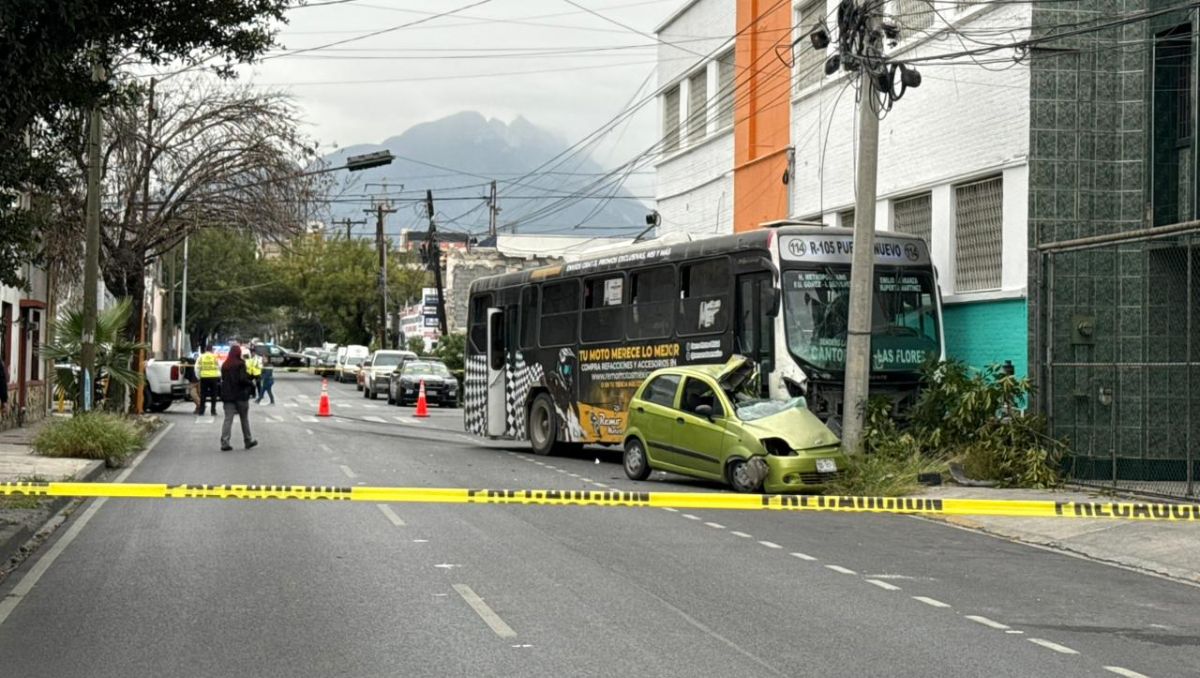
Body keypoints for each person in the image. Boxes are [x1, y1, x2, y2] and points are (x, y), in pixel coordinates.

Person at [218, 345, 257, 451]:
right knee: (244, 419)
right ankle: (248, 440)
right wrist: (251, 383)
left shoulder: (225, 365)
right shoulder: (240, 364)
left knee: (228, 419)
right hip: (241, 396)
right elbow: (242, 379)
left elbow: (223, 379)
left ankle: (225, 442)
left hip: (228, 396)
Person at [197, 345, 221, 416]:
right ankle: (213, 411)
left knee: (203, 395)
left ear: (205, 349)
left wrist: (199, 376)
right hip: (214, 378)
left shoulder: (201, 357)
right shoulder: (215, 357)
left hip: (204, 377)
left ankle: (201, 411)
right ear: (211, 350)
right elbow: (219, 367)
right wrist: (219, 375)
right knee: (214, 395)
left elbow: (197, 367)